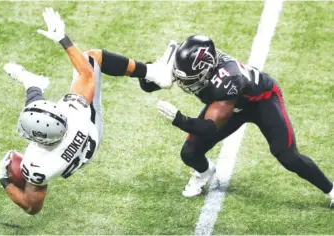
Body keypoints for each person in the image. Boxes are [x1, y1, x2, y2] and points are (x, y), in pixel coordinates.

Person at [0, 7, 161, 215]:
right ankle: (151, 72)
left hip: (84, 146)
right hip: (91, 125)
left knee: (35, 110)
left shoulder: (38, 167)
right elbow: (88, 74)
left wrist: (4, 180)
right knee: (93, 57)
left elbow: (31, 207)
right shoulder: (76, 114)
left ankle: (33, 84)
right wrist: (63, 39)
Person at [142, 35, 334, 207]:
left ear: (206, 70)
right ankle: (205, 172)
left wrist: (179, 119)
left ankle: (331, 190)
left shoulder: (227, 80)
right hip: (228, 103)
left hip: (262, 102)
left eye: (191, 79)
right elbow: (147, 86)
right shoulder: (188, 63)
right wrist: (150, 69)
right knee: (190, 153)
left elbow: (209, 128)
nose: (185, 83)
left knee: (287, 155)